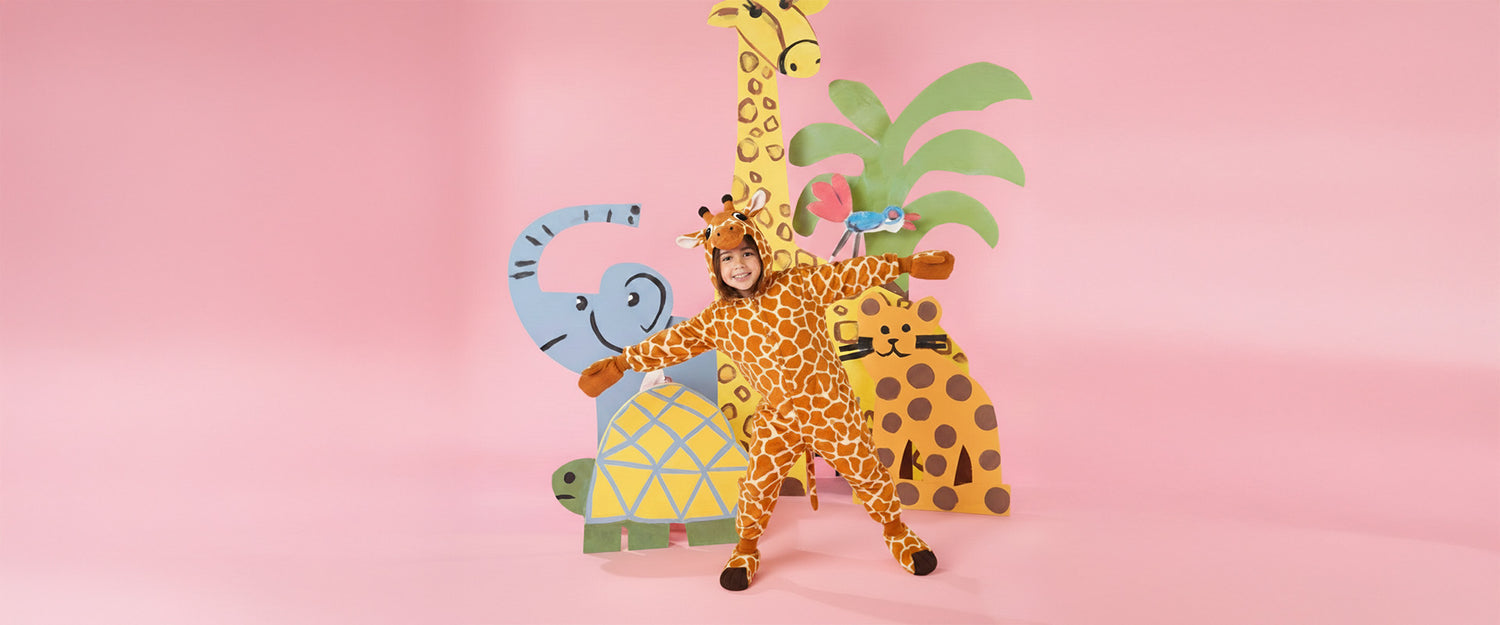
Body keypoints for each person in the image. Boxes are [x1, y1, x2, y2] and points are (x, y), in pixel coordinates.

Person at [579, 192, 954, 591]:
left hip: (832, 408)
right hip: (779, 418)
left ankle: (897, 531)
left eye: (746, 253)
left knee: (868, 473)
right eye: (727, 259)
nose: (739, 265)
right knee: (757, 485)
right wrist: (622, 363)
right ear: (715, 267)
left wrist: (904, 264)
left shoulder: (799, 284)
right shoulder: (719, 319)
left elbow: (847, 275)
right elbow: (675, 341)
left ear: (761, 252)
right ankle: (746, 548)